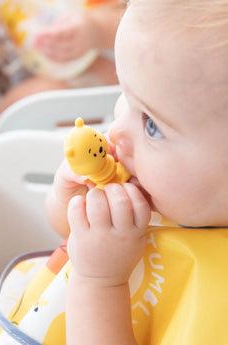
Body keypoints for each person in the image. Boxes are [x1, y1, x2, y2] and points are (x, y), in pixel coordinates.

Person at [45, 0, 228, 344]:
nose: (115, 132)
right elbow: (70, 237)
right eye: (124, 95)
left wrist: (100, 279)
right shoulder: (162, 186)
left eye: (152, 125)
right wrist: (69, 200)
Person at [0, 0, 126, 163]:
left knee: (22, 101)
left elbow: (144, 18)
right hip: (38, 21)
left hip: (97, 61)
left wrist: (97, 28)